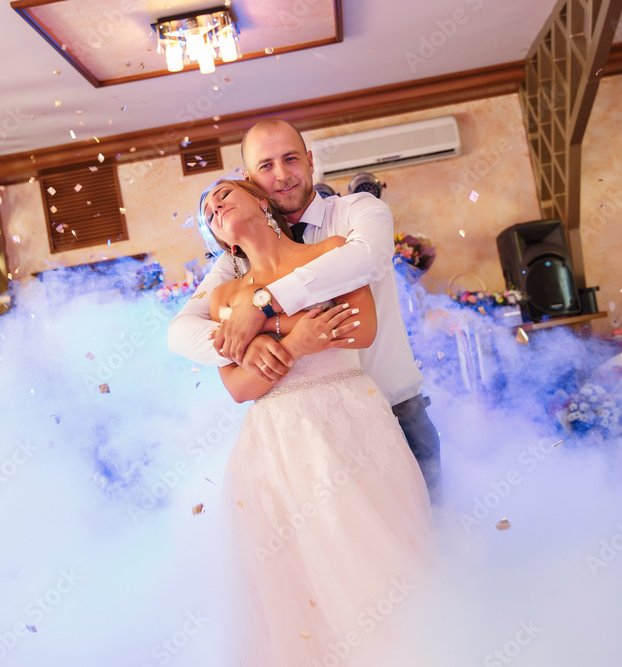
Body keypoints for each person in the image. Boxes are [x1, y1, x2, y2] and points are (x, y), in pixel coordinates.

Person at [195, 178, 434, 664]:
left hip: (350, 420)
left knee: (377, 562)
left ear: (261, 202)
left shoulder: (330, 251)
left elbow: (360, 328)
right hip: (275, 442)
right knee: (299, 581)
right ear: (218, 238)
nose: (215, 206)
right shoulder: (221, 299)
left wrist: (262, 328)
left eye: (224, 194)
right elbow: (240, 387)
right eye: (208, 210)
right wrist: (295, 342)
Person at [168, 118, 441, 499]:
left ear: (310, 161)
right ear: (251, 179)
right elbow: (180, 331)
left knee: (428, 542)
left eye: (291, 159)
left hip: (393, 412)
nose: (282, 175)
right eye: (266, 166)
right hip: (298, 434)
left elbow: (367, 258)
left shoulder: (354, 212)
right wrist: (253, 344)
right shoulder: (232, 267)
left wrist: (262, 310)